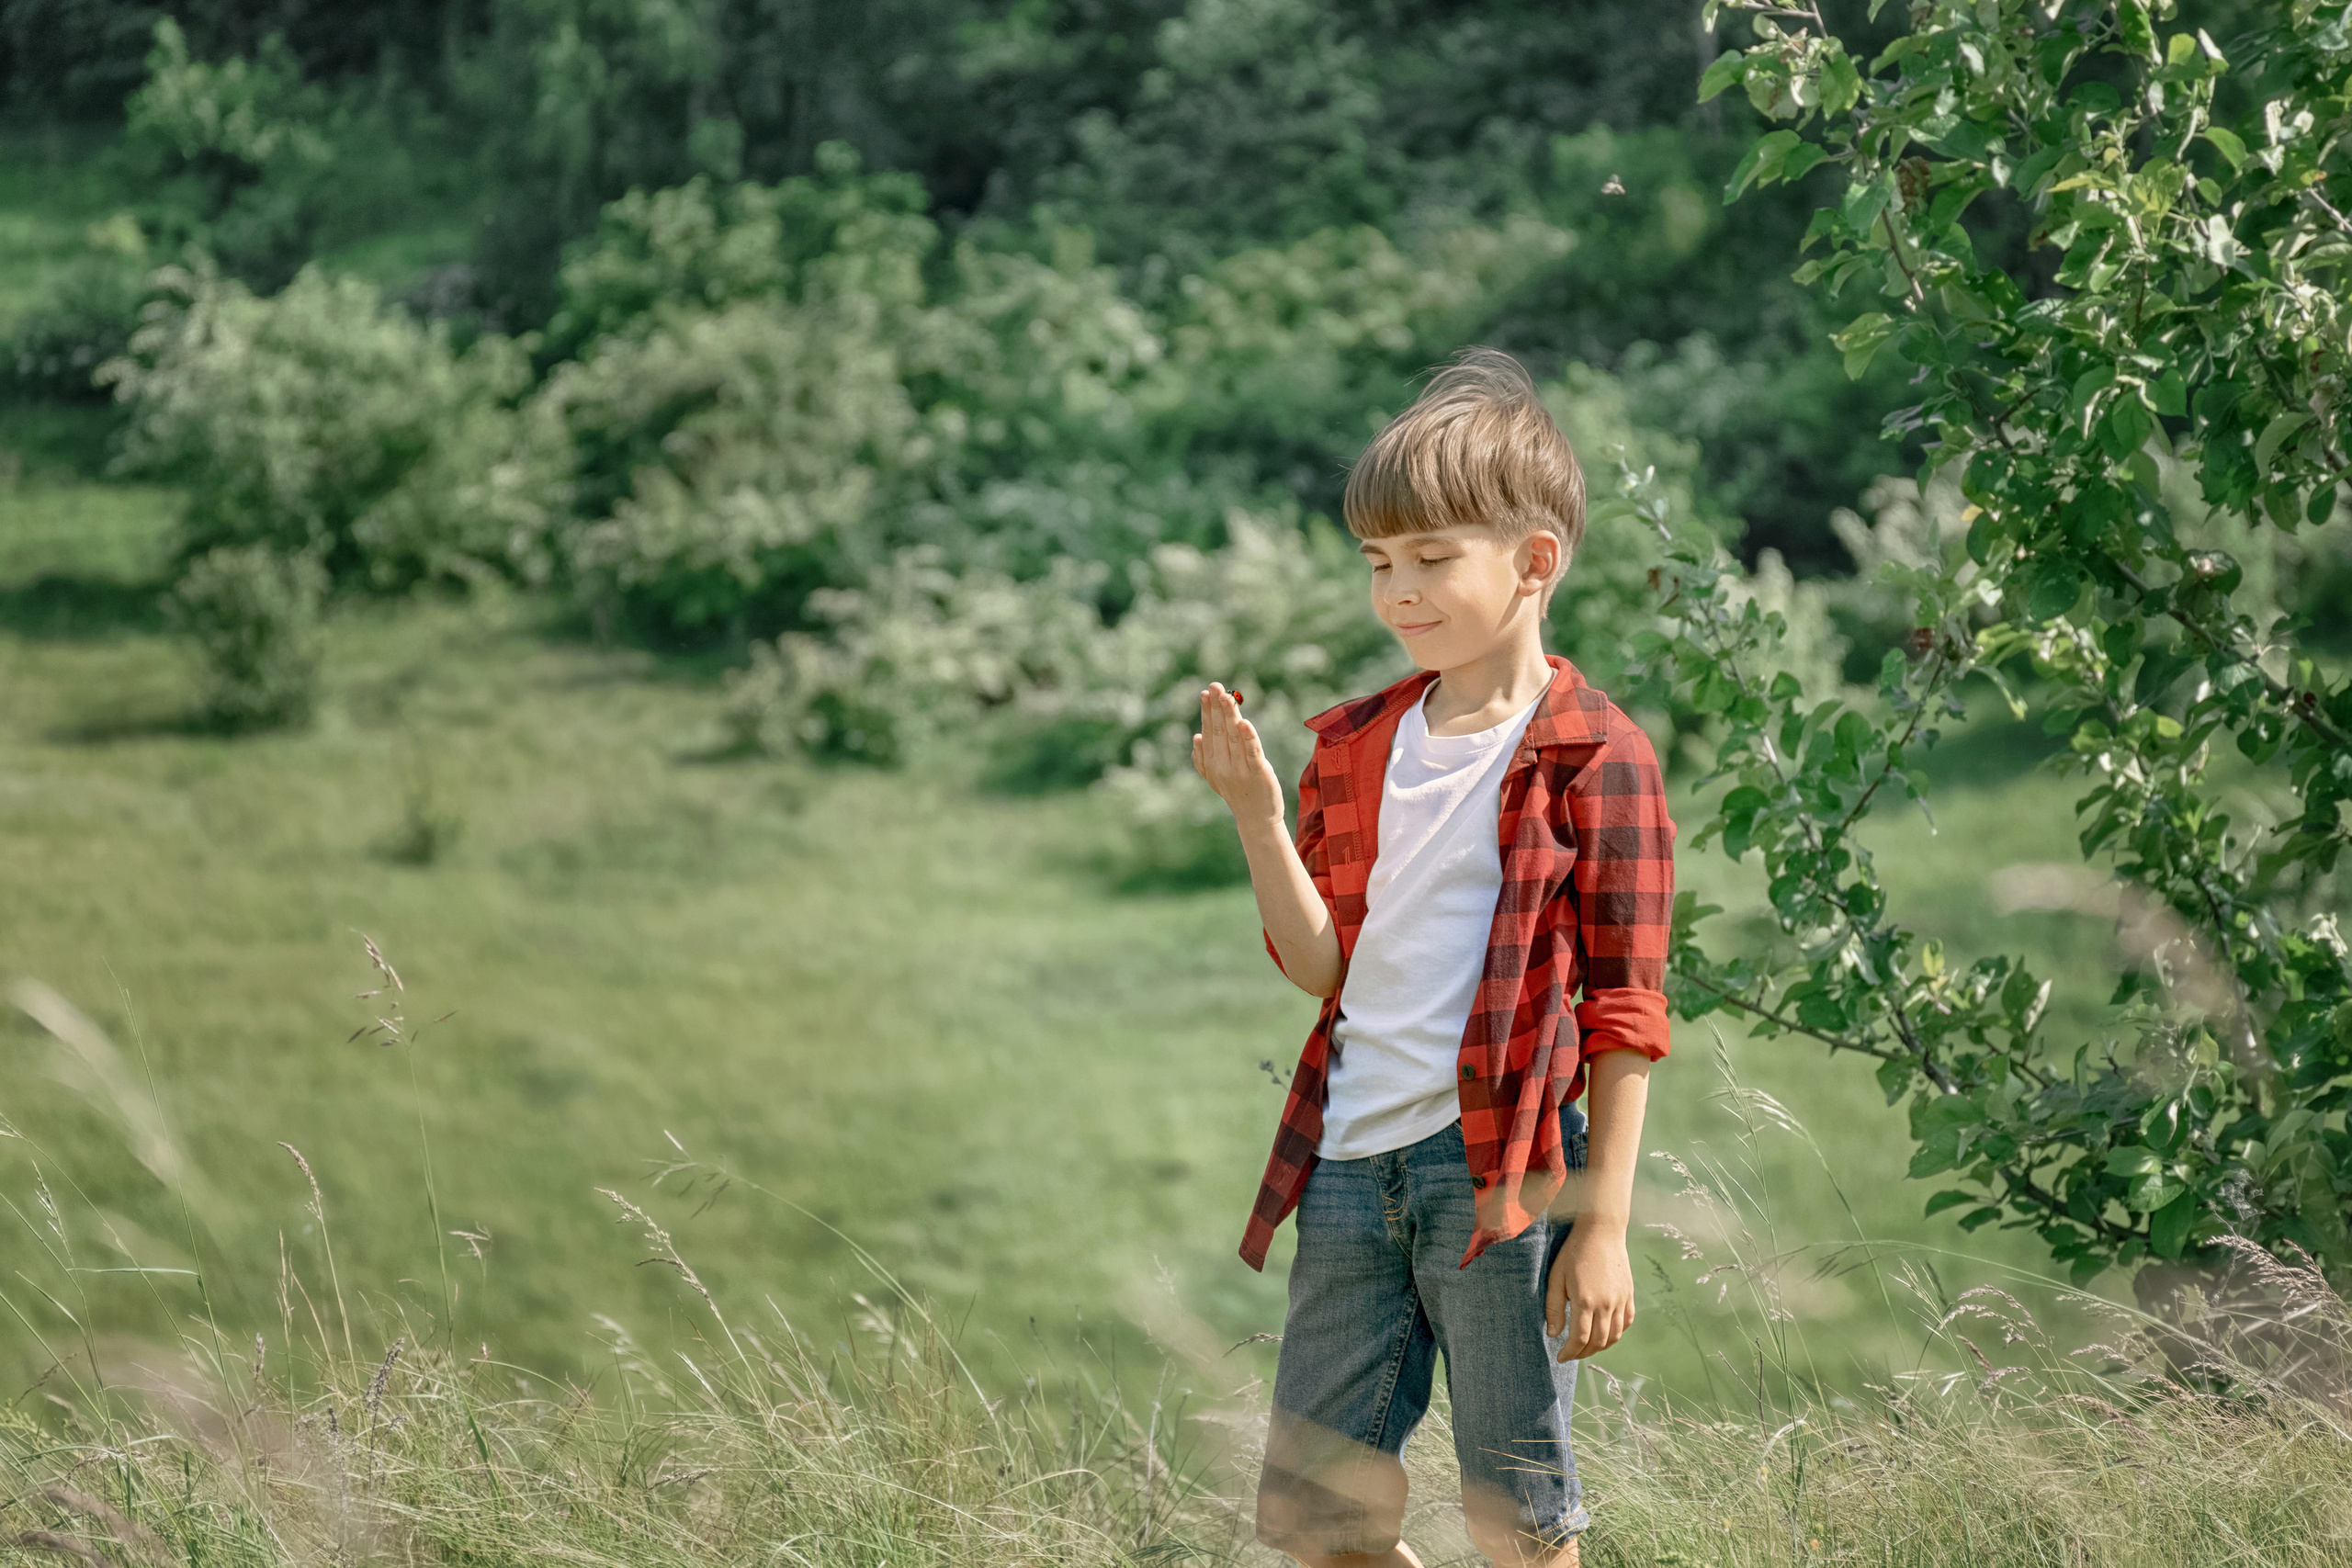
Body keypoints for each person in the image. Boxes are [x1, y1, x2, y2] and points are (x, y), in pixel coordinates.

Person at [1191, 347, 1674, 1567]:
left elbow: (1626, 1012)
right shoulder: (1354, 747)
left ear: (1534, 562)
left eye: (1430, 559)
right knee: (1316, 1517)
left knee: (1520, 1523)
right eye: (1378, 563)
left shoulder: (1597, 755)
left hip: (1501, 1176)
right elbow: (1322, 969)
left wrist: (1603, 1226)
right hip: (1351, 1165)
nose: (1398, 592)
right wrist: (1256, 816)